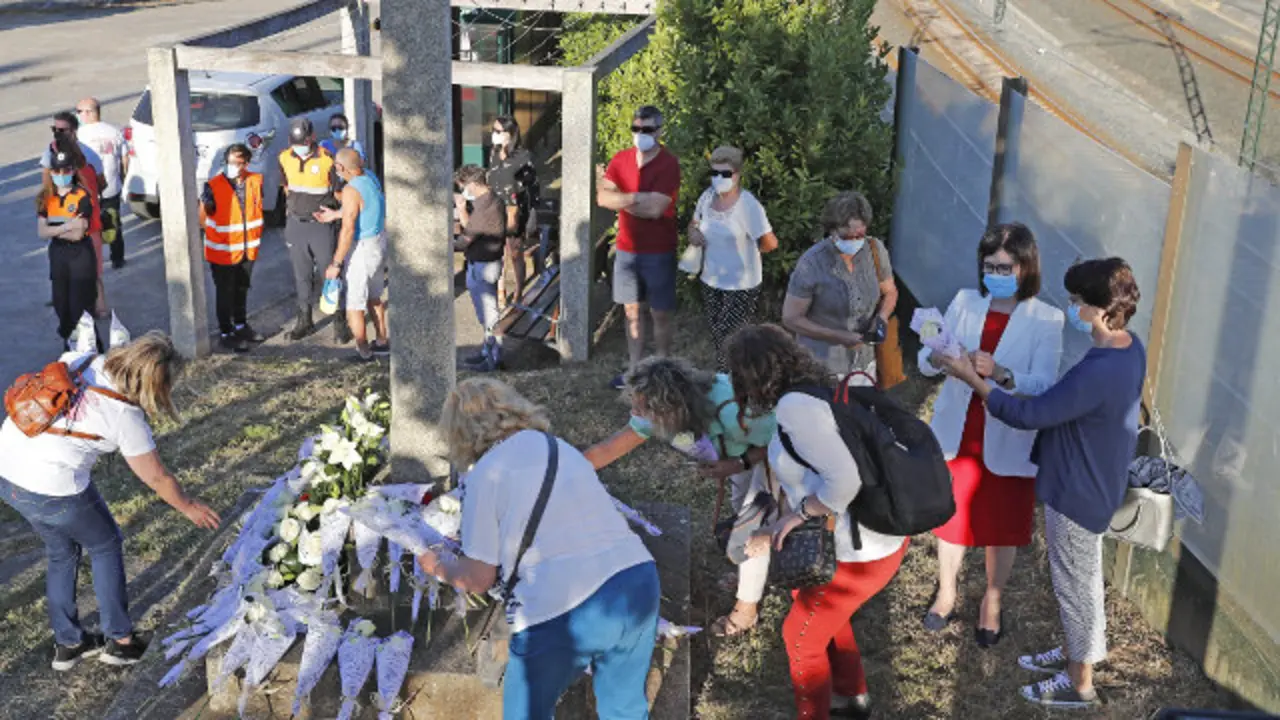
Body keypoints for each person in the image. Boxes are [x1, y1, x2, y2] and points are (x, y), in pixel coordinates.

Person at [936, 258, 1144, 709]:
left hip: (1076, 492)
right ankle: (1076, 652)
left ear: (1098, 308)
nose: (1071, 308)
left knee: (1075, 585)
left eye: (1076, 301)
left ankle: (1080, 681)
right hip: (1097, 480)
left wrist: (974, 379)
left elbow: (1027, 413)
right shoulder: (1129, 348)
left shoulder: (1100, 368)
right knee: (1080, 578)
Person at [416, 377, 659, 719]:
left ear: (458, 433)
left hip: (564, 606)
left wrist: (438, 566)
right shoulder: (556, 446)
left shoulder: (485, 475)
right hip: (636, 579)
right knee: (625, 709)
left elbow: (478, 578)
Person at [0, 332, 220, 671]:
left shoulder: (81, 360)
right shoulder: (125, 417)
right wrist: (188, 507)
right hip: (54, 487)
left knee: (61, 551)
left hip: (9, 475)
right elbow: (156, 477)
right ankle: (119, 641)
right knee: (105, 545)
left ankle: (69, 643)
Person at [726, 324, 908, 720]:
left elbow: (844, 480)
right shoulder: (817, 388)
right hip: (872, 536)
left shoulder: (796, 409)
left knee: (800, 639)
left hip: (856, 552)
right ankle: (851, 696)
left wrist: (795, 517)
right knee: (817, 611)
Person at [917, 223, 1064, 647]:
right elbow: (927, 357)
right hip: (958, 429)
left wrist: (999, 372)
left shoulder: (1047, 320)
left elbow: (1042, 384)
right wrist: (940, 357)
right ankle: (946, 591)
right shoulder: (964, 302)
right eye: (988, 266)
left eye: (1004, 266)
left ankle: (992, 602)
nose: (995, 273)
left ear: (1025, 267)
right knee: (952, 515)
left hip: (1006, 430)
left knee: (1001, 524)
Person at [583, 356, 776, 636]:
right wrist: (562, 469)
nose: (636, 413)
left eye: (642, 407)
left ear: (670, 406)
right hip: (740, 457)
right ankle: (752, 574)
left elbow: (781, 440)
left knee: (753, 528)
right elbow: (607, 450)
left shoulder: (736, 406)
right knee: (741, 512)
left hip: (773, 457)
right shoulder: (655, 411)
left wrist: (739, 463)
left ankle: (746, 612)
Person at [597, 106, 682, 389]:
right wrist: (637, 197)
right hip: (626, 250)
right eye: (636, 129)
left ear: (659, 131)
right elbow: (602, 198)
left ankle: (661, 368)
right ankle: (634, 371)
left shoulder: (669, 164)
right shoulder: (620, 160)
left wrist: (623, 199)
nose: (640, 135)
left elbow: (657, 209)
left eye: (647, 130)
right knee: (631, 310)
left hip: (659, 250)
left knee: (659, 313)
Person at [782, 192, 898, 380]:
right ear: (832, 230)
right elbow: (791, 318)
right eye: (846, 236)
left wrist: (882, 317)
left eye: (859, 235)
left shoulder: (875, 250)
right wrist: (837, 336)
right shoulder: (812, 263)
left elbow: (890, 291)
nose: (854, 241)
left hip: (864, 363)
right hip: (823, 365)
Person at [685, 146, 778, 370]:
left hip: (741, 284)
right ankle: (735, 378)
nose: (719, 178)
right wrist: (693, 234)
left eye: (725, 174)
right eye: (714, 173)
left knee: (730, 337)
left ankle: (728, 381)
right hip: (711, 279)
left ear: (737, 174)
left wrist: (750, 257)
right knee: (718, 334)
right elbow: (694, 223)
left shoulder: (749, 205)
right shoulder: (706, 197)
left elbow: (770, 242)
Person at [278, 118, 350, 344]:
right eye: (295, 142)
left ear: (312, 139)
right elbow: (286, 188)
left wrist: (338, 215)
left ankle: (340, 323)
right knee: (301, 276)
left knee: (330, 274)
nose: (298, 146)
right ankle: (304, 321)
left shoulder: (328, 160)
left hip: (322, 226)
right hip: (297, 225)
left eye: (303, 142)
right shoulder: (284, 157)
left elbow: (339, 194)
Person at [316, 148, 388, 362]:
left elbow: (348, 229)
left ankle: (363, 350)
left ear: (340, 168)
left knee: (354, 304)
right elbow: (361, 209)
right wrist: (335, 214)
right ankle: (383, 341)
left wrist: (336, 263)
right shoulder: (370, 178)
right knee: (375, 297)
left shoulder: (350, 190)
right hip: (378, 243)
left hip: (362, 249)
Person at [200, 144, 266, 354]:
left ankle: (240, 325)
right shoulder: (213, 186)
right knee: (225, 292)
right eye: (229, 162)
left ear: (246, 163)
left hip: (248, 249)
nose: (232, 166)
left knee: (242, 288)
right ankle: (226, 333)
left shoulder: (255, 181)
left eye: (237, 163)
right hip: (222, 252)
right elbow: (203, 217)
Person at [37, 151, 98, 350]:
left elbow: (78, 233)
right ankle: (69, 343)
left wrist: (55, 230)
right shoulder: (47, 198)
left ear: (72, 171)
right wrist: (66, 226)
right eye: (57, 170)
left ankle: (91, 348)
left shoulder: (82, 195)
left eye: (66, 170)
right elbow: (41, 231)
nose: (61, 174)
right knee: (61, 303)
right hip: (59, 255)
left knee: (79, 304)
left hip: (80, 255)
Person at [450, 164, 506, 372]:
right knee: (486, 313)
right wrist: (463, 209)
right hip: (484, 262)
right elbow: (472, 227)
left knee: (489, 315)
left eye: (463, 185)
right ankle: (487, 352)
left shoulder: (485, 208)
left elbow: (465, 240)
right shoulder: (491, 199)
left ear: (472, 184)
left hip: (483, 265)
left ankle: (494, 358)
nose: (463, 190)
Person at [486, 115, 539, 308]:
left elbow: (532, 187)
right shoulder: (493, 154)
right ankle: (500, 291)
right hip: (495, 208)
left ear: (511, 134)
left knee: (515, 252)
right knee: (497, 252)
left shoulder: (524, 157)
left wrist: (527, 213)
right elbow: (491, 179)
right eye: (493, 130)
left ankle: (518, 291)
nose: (495, 135)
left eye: (499, 131)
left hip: (515, 211)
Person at [75, 97, 129, 269]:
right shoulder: (114, 131)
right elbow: (125, 158)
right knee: (113, 223)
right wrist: (122, 178)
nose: (78, 115)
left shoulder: (80, 135)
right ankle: (117, 258)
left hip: (89, 189)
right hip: (112, 187)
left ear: (90, 112)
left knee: (89, 225)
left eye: (79, 112)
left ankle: (92, 259)